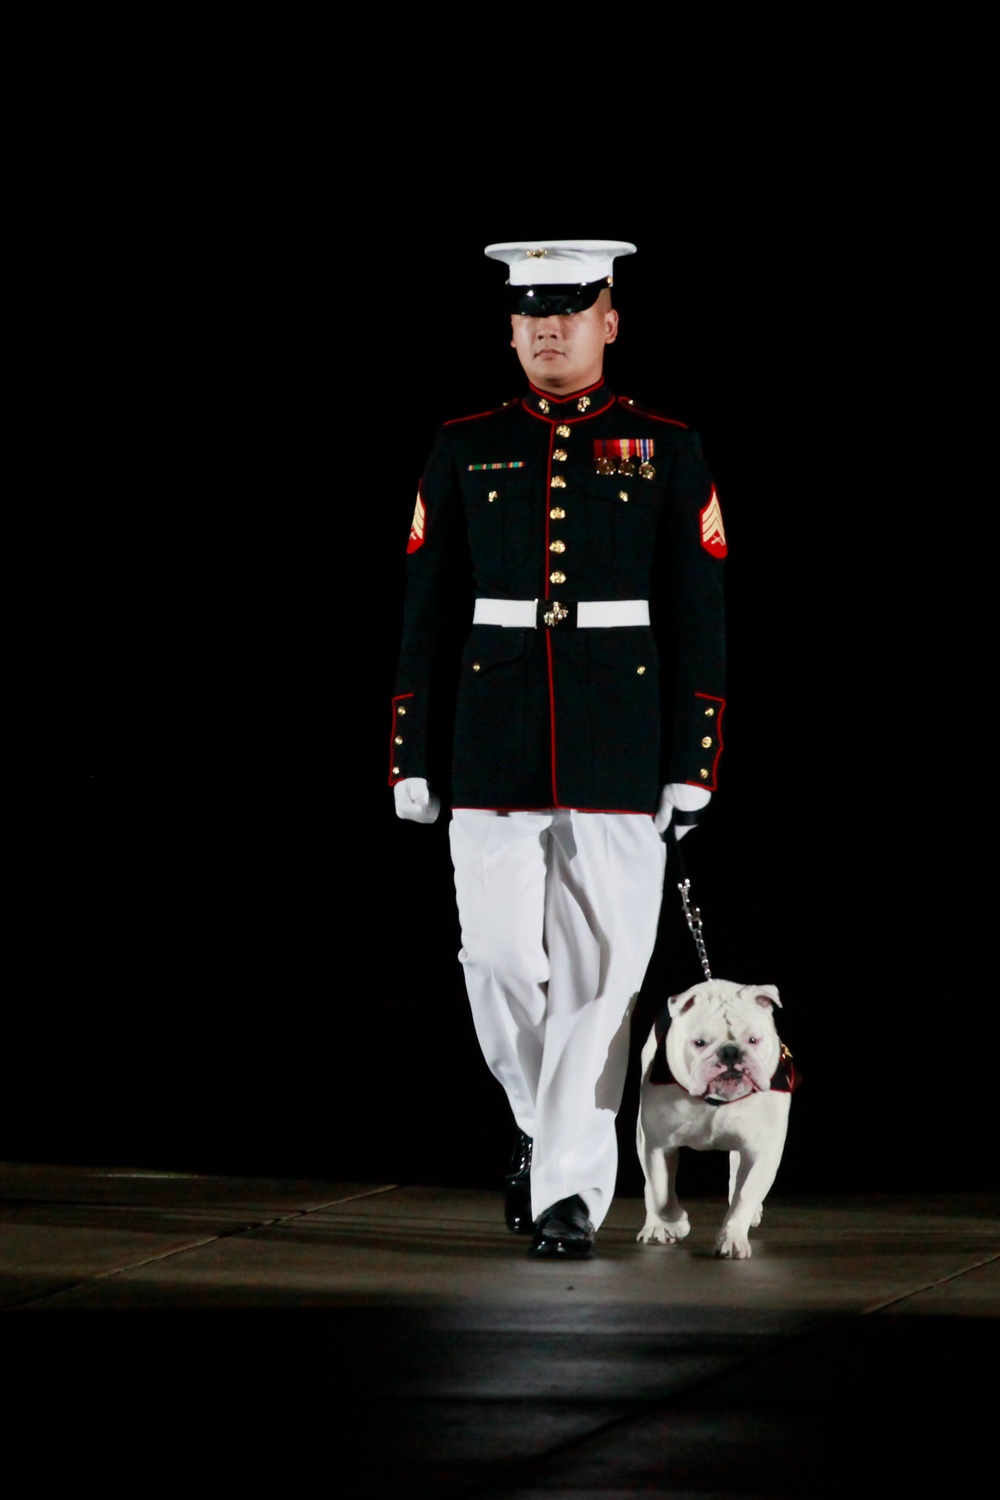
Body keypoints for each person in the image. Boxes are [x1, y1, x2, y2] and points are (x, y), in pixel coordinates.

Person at [390, 239, 726, 1257]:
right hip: (489, 739)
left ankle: (570, 1194)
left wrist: (692, 757)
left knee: (602, 975)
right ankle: (546, 1127)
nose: (548, 327)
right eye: (532, 312)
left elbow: (699, 610)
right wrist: (408, 749)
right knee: (493, 955)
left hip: (621, 741)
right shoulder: (462, 445)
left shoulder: (665, 445)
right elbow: (426, 606)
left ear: (607, 322)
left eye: (569, 310)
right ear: (510, 326)